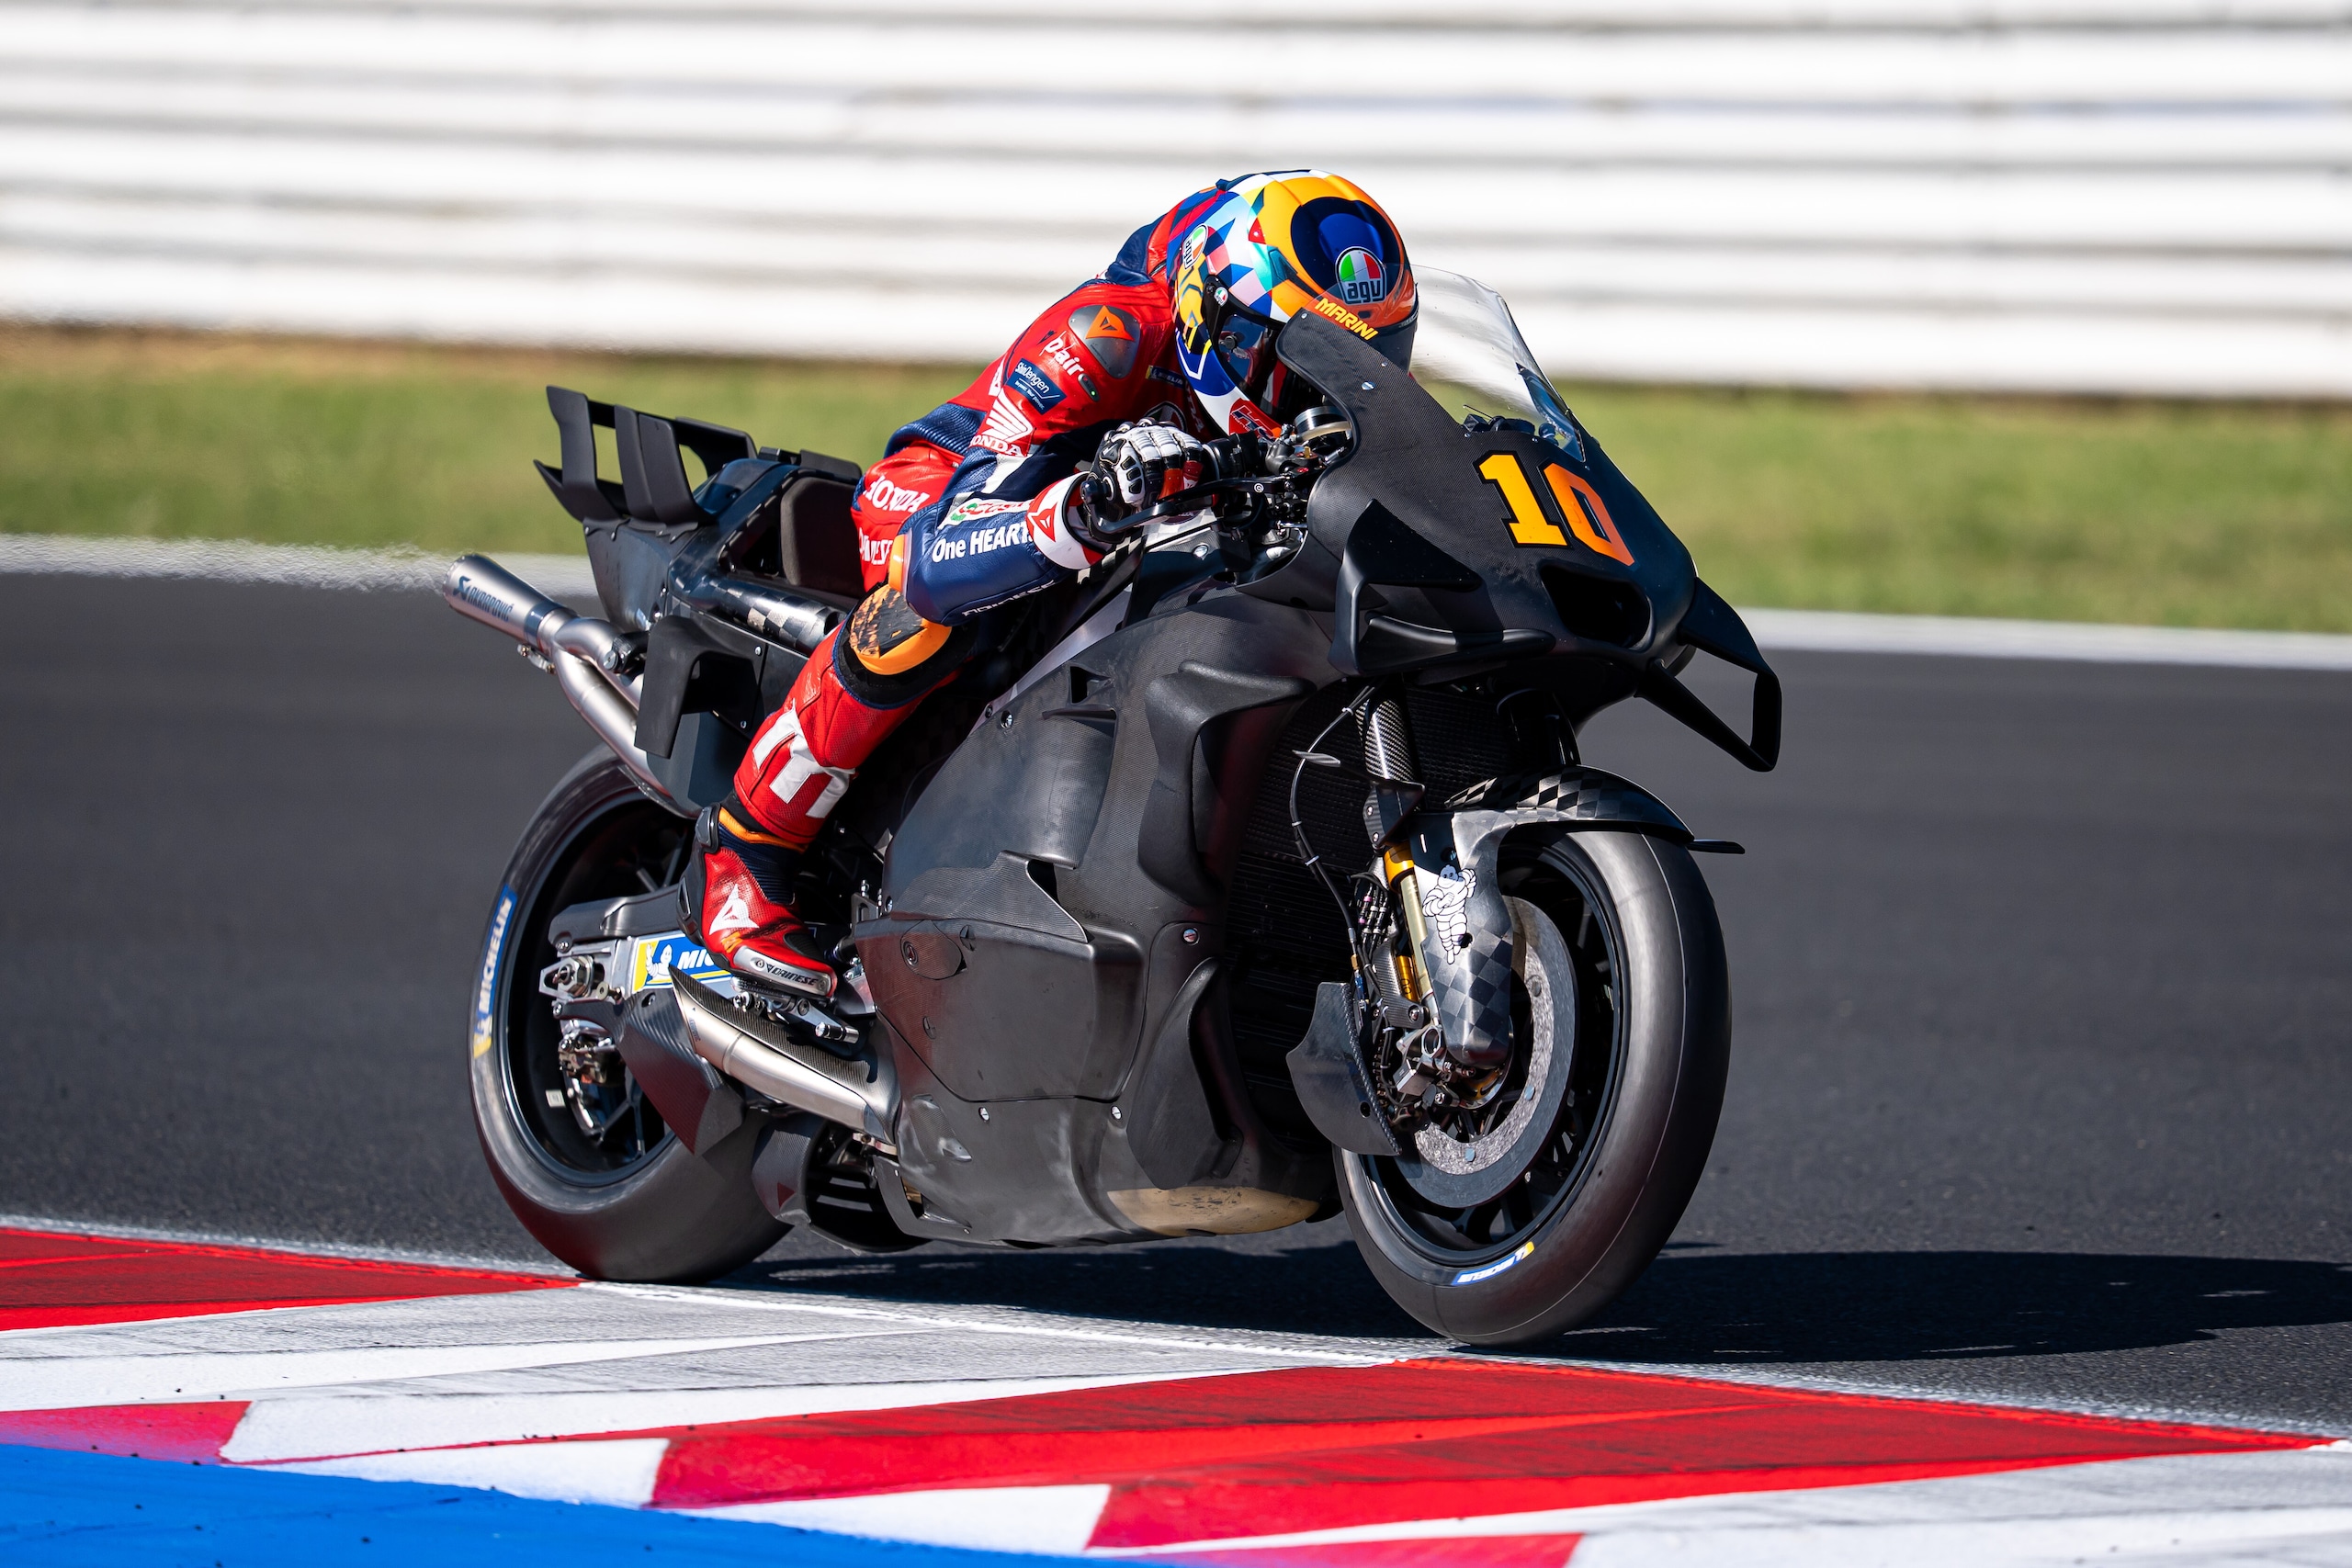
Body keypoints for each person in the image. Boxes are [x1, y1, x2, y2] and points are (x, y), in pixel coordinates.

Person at [682, 171, 1419, 998]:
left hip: (1127, 533)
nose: (1320, 397)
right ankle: (747, 847)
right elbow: (938, 554)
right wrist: (1087, 505)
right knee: (940, 610)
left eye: (1364, 361)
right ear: (1224, 321)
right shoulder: (1105, 332)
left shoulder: (1297, 375)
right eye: (1300, 365)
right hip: (945, 493)